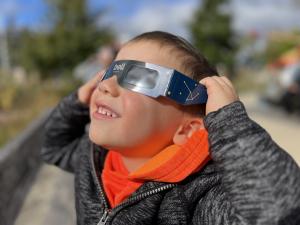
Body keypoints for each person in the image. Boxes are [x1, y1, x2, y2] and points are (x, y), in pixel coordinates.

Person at [41, 31, 300, 225]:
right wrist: (76, 102)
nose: (106, 85)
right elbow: (53, 147)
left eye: (139, 78)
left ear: (186, 130)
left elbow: (278, 210)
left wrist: (228, 122)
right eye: (110, 71)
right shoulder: (93, 157)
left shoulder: (197, 197)